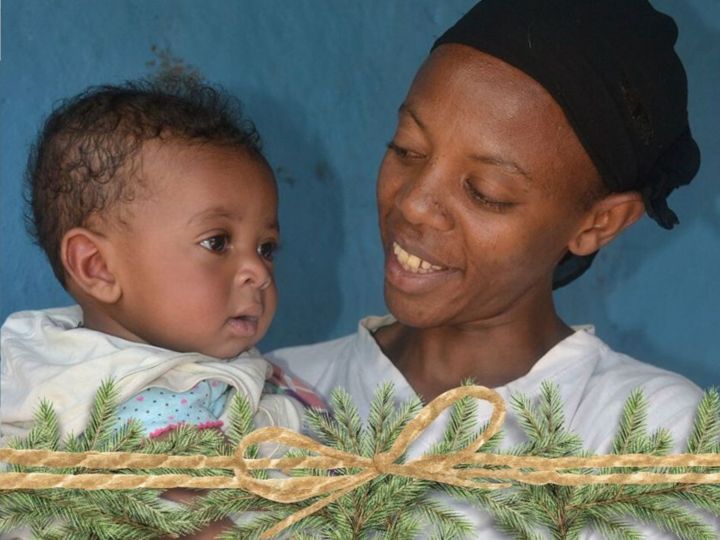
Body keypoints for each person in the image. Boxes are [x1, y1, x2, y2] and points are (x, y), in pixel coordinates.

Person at [268, 0, 717, 537]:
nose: (414, 203)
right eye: (407, 149)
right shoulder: (271, 391)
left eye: (486, 192)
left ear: (599, 223)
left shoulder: (647, 435)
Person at [0, 80, 324, 445]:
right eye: (216, 242)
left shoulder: (208, 371)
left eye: (266, 248)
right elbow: (211, 502)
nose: (260, 272)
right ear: (98, 267)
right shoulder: (148, 421)